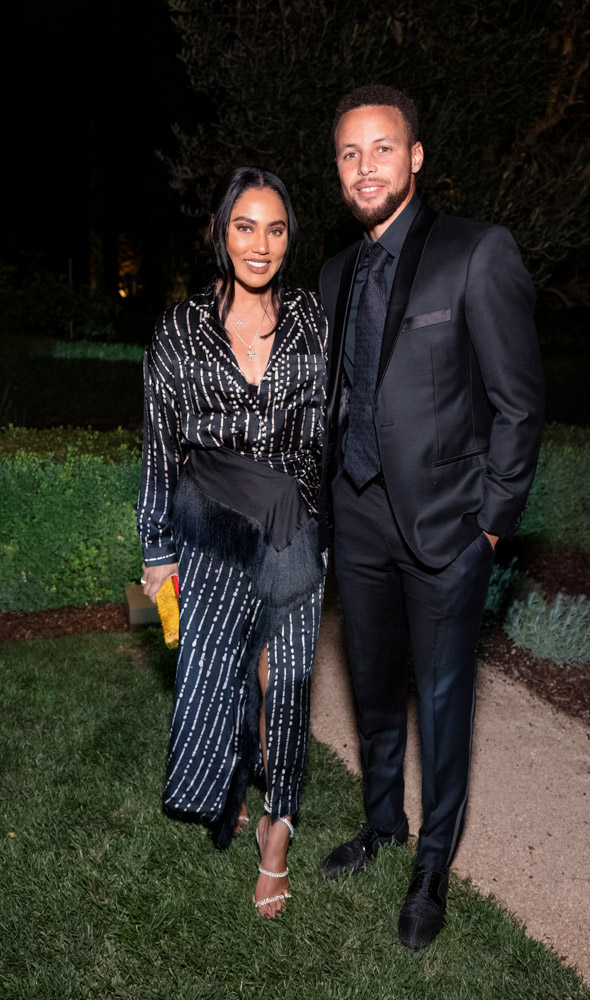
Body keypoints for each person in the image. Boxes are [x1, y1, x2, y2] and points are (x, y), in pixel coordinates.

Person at [318, 85, 544, 950]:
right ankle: (383, 826)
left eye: (381, 148)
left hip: (448, 527)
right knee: (374, 688)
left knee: (442, 704)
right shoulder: (338, 272)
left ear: (414, 157)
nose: (364, 166)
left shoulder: (475, 253)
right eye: (348, 153)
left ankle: (431, 869)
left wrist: (489, 523)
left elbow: (518, 403)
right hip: (359, 517)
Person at [137, 166, 327, 918]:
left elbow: (326, 433)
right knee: (224, 678)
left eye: (275, 229)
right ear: (221, 233)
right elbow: (158, 448)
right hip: (211, 528)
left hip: (291, 525)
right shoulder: (180, 330)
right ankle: (228, 782)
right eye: (245, 226)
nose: (260, 244)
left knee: (288, 679)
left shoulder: (311, 318)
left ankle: (276, 831)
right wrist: (156, 551)